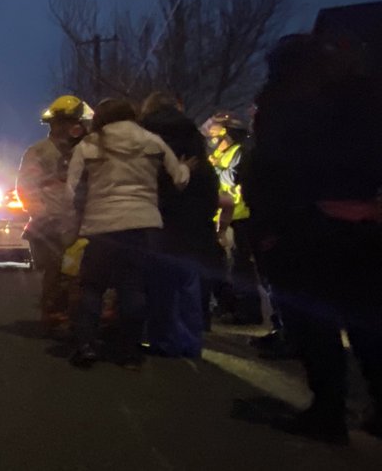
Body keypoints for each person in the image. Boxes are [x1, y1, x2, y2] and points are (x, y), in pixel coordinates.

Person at [244, 33, 382, 444]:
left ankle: (328, 413)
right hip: (364, 224)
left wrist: (268, 228)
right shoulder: (366, 97)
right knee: (367, 323)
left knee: (314, 325)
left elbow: (269, 164)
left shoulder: (282, 102)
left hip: (302, 226)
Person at [66, 99, 192, 369]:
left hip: (100, 226)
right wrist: (187, 169)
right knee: (132, 287)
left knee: (92, 287)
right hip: (139, 225)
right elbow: (178, 179)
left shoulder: (89, 144)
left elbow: (71, 189)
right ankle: (129, 353)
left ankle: (86, 346)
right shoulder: (151, 140)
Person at [139, 92, 221, 357]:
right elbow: (207, 181)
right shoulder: (192, 136)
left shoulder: (144, 135)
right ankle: (190, 341)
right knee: (188, 283)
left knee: (159, 283)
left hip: (157, 216)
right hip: (192, 221)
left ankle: (162, 339)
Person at [17, 94, 92, 337]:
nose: (72, 127)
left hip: (82, 222)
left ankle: (73, 316)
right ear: (55, 123)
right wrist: (41, 213)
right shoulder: (38, 152)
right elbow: (26, 186)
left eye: (75, 121)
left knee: (78, 274)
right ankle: (54, 316)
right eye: (67, 121)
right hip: (50, 223)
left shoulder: (86, 150)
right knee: (56, 271)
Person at [211, 115, 264, 325]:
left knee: (241, 265)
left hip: (239, 215)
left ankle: (249, 311)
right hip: (226, 214)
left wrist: (214, 168)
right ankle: (234, 307)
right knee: (231, 265)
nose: (213, 139)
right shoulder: (222, 153)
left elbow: (232, 178)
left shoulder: (238, 152)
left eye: (218, 134)